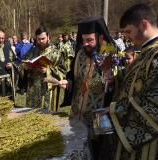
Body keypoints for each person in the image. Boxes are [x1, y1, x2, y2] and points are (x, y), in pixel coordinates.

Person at [58, 16, 117, 160]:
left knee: (98, 153)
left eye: (90, 40)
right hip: (78, 115)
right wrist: (68, 82)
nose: (85, 44)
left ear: (100, 37)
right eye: (83, 40)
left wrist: (113, 80)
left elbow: (119, 83)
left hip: (99, 118)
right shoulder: (80, 54)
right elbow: (73, 76)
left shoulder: (110, 54)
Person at [109, 3, 158, 160]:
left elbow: (154, 101)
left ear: (144, 24)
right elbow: (133, 80)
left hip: (149, 142)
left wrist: (116, 110)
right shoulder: (145, 51)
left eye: (129, 31)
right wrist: (111, 77)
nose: (126, 37)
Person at [20, 26, 64, 109]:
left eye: (43, 38)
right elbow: (21, 65)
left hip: (49, 90)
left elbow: (63, 71)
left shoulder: (56, 53)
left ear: (48, 37)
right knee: (32, 116)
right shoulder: (32, 51)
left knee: (48, 119)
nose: (41, 41)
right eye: (38, 39)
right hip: (33, 90)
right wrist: (25, 67)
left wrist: (47, 71)